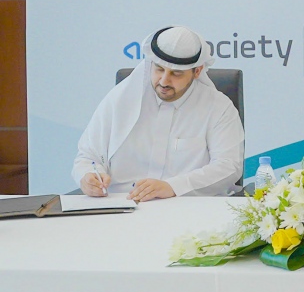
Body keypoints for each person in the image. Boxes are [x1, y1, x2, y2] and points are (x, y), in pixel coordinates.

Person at [72, 26, 245, 201]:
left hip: (186, 206)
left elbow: (229, 166)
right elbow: (88, 156)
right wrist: (88, 177)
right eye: (159, 69)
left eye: (176, 73)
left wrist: (173, 187)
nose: (164, 81)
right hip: (121, 204)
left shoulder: (218, 107)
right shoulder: (120, 99)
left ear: (197, 71)